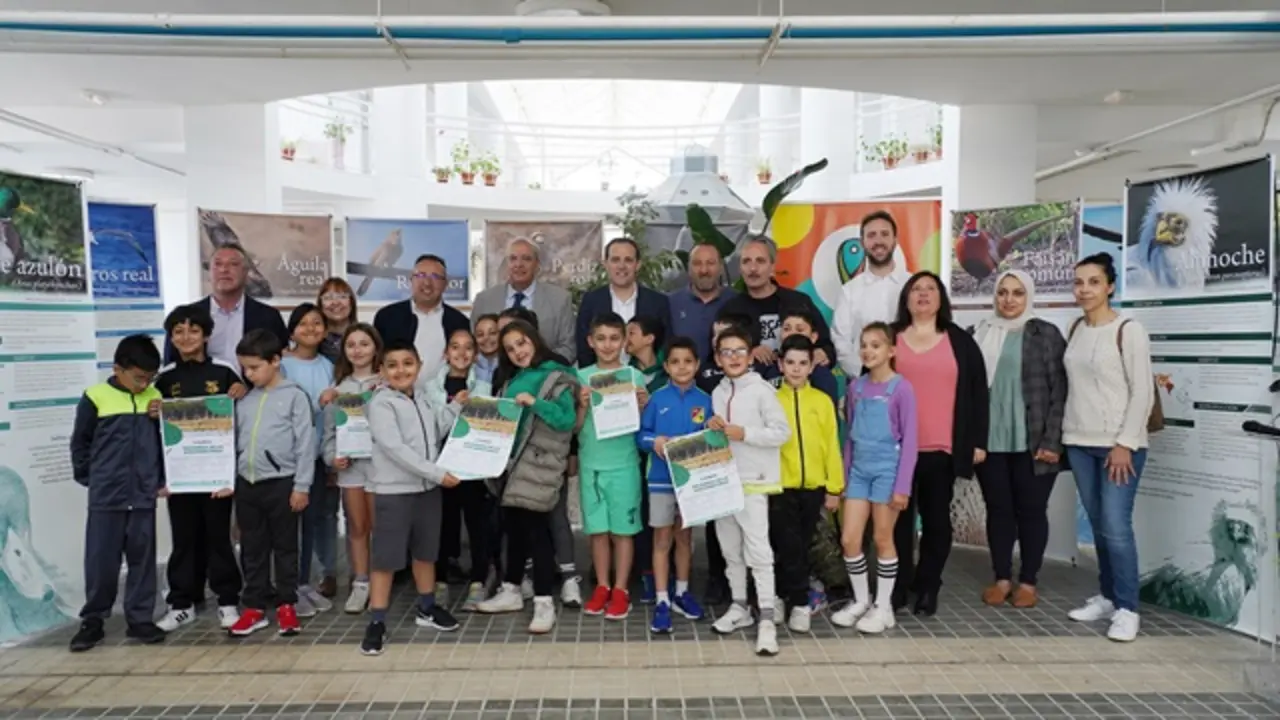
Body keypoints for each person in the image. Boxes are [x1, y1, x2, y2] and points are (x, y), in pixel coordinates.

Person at [1062, 253, 1154, 643]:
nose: (1085, 289)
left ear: (1110, 287)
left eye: (1094, 282)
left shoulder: (1129, 330)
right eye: (1079, 282)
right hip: (1079, 443)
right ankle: (1107, 595)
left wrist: (1125, 444)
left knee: (1116, 527)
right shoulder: (1075, 328)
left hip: (1118, 445)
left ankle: (1128, 609)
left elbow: (1143, 392)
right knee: (1100, 526)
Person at [890, 271, 989, 616]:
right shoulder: (889, 337)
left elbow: (978, 393)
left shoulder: (960, 341)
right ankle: (898, 586)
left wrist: (977, 441)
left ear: (941, 298)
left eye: (930, 289)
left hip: (941, 449)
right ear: (906, 298)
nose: (922, 294)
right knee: (897, 524)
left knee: (936, 523)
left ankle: (928, 585)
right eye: (916, 289)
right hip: (896, 449)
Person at [970, 271, 1068, 610]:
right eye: (1002, 292)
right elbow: (968, 391)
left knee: (1031, 511)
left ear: (1029, 296)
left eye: (1017, 293)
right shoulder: (980, 333)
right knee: (998, 511)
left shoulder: (1046, 334)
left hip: (1035, 441)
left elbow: (1061, 392)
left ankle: (1028, 581)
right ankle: (1001, 578)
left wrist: (1052, 441)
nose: (1009, 300)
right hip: (990, 441)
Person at [360, 340, 463, 656]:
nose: (401, 370)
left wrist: (456, 406)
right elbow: (395, 449)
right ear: (381, 370)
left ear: (419, 366)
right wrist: (437, 473)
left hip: (427, 491)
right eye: (392, 365)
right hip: (394, 492)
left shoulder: (423, 399)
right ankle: (377, 620)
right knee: (386, 558)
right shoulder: (381, 404)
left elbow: (436, 430)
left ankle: (427, 607)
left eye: (407, 363)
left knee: (425, 552)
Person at [475, 320, 578, 634]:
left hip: (538, 466)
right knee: (515, 531)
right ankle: (512, 589)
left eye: (521, 343)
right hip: (511, 465)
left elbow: (566, 419)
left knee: (537, 534)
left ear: (534, 339)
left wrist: (535, 403)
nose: (518, 351)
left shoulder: (557, 375)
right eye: (510, 349)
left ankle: (544, 602)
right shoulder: (513, 378)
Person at [68, 335, 167, 652]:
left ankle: (140, 619)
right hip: (106, 495)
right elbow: (80, 443)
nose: (144, 384)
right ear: (117, 369)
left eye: (150, 377)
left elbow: (166, 443)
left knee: (143, 559)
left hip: (143, 494)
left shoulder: (155, 398)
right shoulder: (95, 397)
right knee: (101, 560)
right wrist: (92, 478)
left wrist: (159, 478)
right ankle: (93, 620)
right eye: (139, 377)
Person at [153, 304, 247, 633]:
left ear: (206, 335)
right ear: (171, 338)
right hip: (181, 477)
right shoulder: (164, 378)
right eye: (178, 332)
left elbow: (242, 415)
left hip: (216, 475)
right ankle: (182, 604)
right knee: (184, 539)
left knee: (219, 538)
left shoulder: (224, 371)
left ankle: (227, 601)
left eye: (193, 330)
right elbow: (156, 430)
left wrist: (241, 391)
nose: (186, 337)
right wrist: (154, 411)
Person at [707, 326, 791, 656]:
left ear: (750, 354)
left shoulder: (762, 391)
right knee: (730, 549)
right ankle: (739, 606)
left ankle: (767, 618)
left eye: (739, 350)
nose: (733, 357)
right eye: (726, 352)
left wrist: (745, 433)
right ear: (717, 358)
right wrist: (712, 427)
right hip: (723, 482)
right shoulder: (717, 392)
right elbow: (718, 433)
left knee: (759, 550)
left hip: (754, 480)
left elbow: (781, 432)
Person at [831, 322, 918, 634]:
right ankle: (861, 600)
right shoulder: (855, 387)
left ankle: (884, 606)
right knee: (849, 539)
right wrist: (844, 476)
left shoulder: (902, 389)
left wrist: (902, 487)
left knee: (883, 538)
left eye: (876, 345)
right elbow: (850, 437)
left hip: (887, 471)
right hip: (858, 471)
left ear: (891, 350)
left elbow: (910, 441)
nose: (868, 351)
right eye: (864, 345)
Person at [226, 329, 314, 637]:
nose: (248, 374)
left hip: (282, 484)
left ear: (275, 361)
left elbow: (305, 444)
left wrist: (301, 486)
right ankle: (254, 607)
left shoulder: (295, 396)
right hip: (247, 484)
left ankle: (287, 604)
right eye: (244, 368)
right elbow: (233, 442)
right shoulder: (244, 400)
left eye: (254, 367)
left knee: (286, 547)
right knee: (252, 548)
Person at [573, 313, 648, 620]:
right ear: (590, 342)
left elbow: (642, 427)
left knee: (623, 532)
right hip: (591, 464)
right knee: (598, 531)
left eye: (614, 338)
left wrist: (642, 406)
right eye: (601, 338)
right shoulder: (580, 377)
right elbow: (574, 428)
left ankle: (621, 589)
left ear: (624, 342)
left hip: (624, 464)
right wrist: (581, 406)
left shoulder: (634, 377)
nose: (607, 345)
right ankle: (602, 586)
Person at [637, 336, 709, 634]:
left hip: (691, 483)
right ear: (666, 366)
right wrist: (654, 441)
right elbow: (640, 435)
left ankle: (682, 592)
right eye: (675, 362)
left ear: (697, 365)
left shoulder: (705, 401)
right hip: (661, 481)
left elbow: (712, 438)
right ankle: (662, 599)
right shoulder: (657, 399)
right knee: (662, 539)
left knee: (684, 538)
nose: (682, 367)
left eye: (688, 361)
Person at [772, 335, 844, 633]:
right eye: (790, 362)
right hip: (780, 486)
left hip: (813, 487)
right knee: (783, 543)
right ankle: (782, 597)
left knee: (803, 544)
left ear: (812, 366)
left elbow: (831, 445)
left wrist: (834, 487)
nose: (796, 369)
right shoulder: (771, 400)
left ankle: (798, 602)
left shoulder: (822, 402)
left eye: (803, 363)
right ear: (780, 364)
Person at [425, 327, 495, 611]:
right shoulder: (430, 388)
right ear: (446, 353)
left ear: (476, 355)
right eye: (455, 347)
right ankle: (440, 582)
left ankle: (478, 582)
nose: (462, 353)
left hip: (473, 468)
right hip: (442, 466)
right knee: (444, 525)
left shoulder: (484, 388)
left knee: (478, 526)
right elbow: (433, 429)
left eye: (468, 347)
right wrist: (455, 405)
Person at [320, 323, 383, 615]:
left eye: (364, 344)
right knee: (357, 526)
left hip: (381, 467)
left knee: (380, 527)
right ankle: (360, 583)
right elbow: (329, 434)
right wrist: (332, 458)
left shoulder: (386, 383)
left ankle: (381, 582)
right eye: (351, 345)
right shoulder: (337, 390)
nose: (358, 350)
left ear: (375, 348)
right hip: (351, 469)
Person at [281, 304, 339, 611]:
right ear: (292, 331)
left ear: (325, 330)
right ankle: (286, 587)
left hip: (315, 457)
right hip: (285, 458)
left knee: (310, 523)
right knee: (286, 526)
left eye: (317, 323)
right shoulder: (280, 365)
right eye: (302, 323)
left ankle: (303, 583)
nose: (310, 328)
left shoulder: (329, 367)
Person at [166, 244, 288, 369]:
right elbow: (171, 363)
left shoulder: (268, 316)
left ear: (246, 272)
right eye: (218, 264)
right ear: (209, 272)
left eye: (233, 264)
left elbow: (281, 362)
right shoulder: (186, 316)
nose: (224, 270)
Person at [721, 234, 835, 368]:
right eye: (746, 261)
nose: (753, 268)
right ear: (740, 268)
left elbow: (827, 346)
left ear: (772, 266)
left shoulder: (798, 301)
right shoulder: (731, 309)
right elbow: (720, 352)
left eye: (760, 261)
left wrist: (822, 353)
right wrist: (748, 352)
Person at [831, 211, 912, 377]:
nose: (878, 241)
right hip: (863, 381)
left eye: (885, 234)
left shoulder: (913, 286)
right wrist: (867, 373)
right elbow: (840, 341)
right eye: (872, 235)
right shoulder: (849, 290)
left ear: (895, 240)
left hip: (909, 379)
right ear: (863, 242)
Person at [472, 237, 576, 362]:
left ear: (537, 264)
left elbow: (568, 348)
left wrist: (539, 367)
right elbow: (473, 345)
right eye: (513, 258)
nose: (519, 264)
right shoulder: (484, 300)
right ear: (506, 264)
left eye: (526, 259)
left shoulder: (560, 299)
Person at [575, 237, 672, 367]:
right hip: (602, 377)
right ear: (605, 264)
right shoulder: (591, 301)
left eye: (628, 260)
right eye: (615, 260)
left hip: (647, 377)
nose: (621, 266)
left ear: (638, 264)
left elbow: (666, 346)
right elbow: (583, 347)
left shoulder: (658, 302)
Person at [372, 253, 470, 381]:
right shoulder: (387, 317)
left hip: (444, 393)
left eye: (435, 276)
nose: (427, 283)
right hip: (394, 392)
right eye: (421, 275)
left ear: (445, 284)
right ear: (411, 280)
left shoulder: (459, 322)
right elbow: (376, 361)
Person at [669, 243, 735, 362]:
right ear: (689, 268)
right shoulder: (670, 303)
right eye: (697, 263)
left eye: (710, 263)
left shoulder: (737, 301)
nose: (704, 270)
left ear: (721, 267)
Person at [760, 308, 840, 405]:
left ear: (813, 337)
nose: (792, 334)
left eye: (800, 329)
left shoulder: (823, 377)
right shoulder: (767, 372)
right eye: (787, 329)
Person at [317, 278, 358, 364]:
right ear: (320, 305)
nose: (335, 302)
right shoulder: (313, 339)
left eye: (342, 297)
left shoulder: (367, 336)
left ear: (351, 302)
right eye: (328, 297)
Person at [627, 315, 668, 394]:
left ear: (649, 339)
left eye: (631, 333)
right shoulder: (625, 371)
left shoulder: (669, 371)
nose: (626, 338)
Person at [473, 313, 501, 385]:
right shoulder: (469, 365)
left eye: (492, 333)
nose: (486, 338)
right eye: (480, 334)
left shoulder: (510, 364)